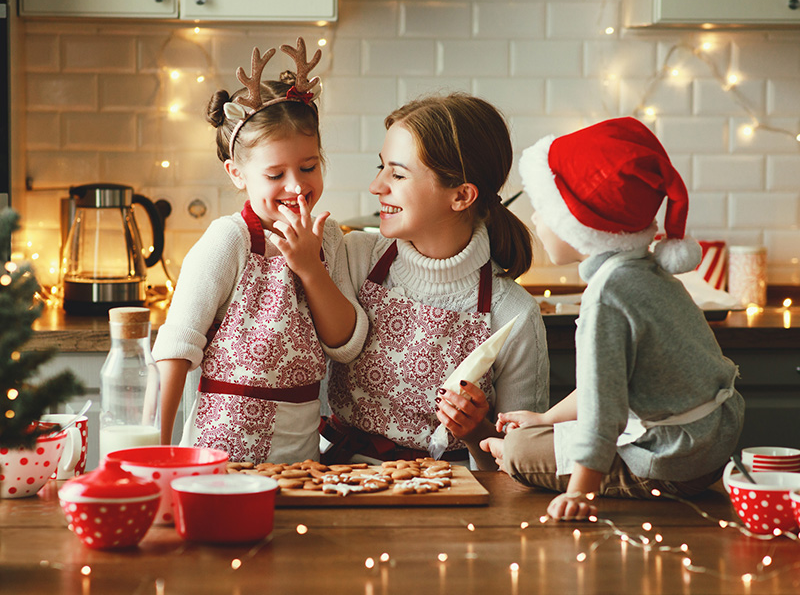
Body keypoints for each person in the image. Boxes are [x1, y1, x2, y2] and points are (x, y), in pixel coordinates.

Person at [480, 117, 744, 519]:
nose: (534, 220)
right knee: (538, 432)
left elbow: (605, 410)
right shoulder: (648, 272)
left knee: (519, 449)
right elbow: (607, 385)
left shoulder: (607, 296)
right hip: (706, 443)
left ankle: (517, 456)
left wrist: (580, 493)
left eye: (544, 209)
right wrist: (546, 419)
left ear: (581, 224)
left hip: (669, 461)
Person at [152, 38, 367, 464]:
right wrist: (159, 446)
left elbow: (344, 343)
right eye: (275, 174)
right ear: (237, 174)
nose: (296, 186)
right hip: (221, 447)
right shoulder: (228, 240)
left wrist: (310, 268)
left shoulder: (328, 240)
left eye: (309, 167)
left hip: (299, 452)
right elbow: (178, 344)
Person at [323, 94, 550, 470]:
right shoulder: (356, 258)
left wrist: (477, 431)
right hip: (342, 478)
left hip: (451, 498)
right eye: (381, 168)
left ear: (461, 195)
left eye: (397, 174)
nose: (376, 186)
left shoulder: (514, 314)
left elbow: (520, 465)